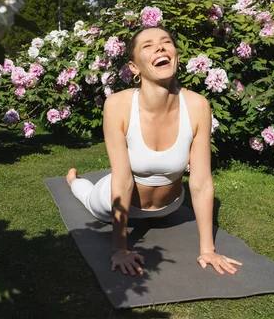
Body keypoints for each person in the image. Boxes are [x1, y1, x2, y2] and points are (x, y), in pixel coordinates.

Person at [66, 26, 242, 277]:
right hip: (115, 199)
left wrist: (208, 249)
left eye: (166, 42)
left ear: (176, 56)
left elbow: (201, 183)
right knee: (89, 196)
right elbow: (123, 181)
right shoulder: (118, 105)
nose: (160, 47)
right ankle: (73, 180)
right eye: (147, 45)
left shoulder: (197, 105)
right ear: (134, 67)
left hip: (170, 207)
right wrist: (119, 249)